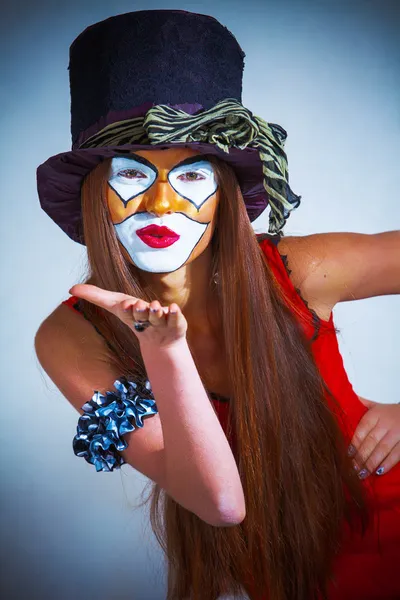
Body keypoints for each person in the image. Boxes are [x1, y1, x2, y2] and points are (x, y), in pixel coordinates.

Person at [34, 10, 400, 600]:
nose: (160, 201)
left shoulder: (297, 271)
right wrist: (166, 352)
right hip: (274, 568)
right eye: (131, 173)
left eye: (191, 175)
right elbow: (222, 505)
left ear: (224, 193)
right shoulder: (73, 336)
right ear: (95, 192)